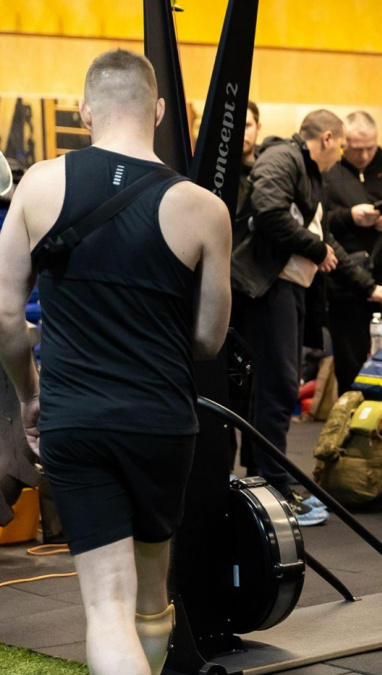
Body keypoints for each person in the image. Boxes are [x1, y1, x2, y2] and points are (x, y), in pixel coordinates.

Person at [0, 49, 231, 675]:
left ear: (84, 110)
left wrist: (29, 396)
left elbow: (5, 319)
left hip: (76, 422)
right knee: (152, 601)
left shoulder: (38, 186)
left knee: (106, 607)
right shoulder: (204, 208)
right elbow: (210, 338)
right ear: (159, 110)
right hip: (161, 422)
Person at [232, 109, 382, 524]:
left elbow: (327, 242)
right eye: (340, 145)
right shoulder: (283, 158)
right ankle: (273, 485)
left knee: (272, 388)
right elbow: (270, 213)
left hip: (285, 289)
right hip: (267, 289)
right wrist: (314, 247)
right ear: (326, 138)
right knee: (278, 386)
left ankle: (265, 478)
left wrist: (366, 286)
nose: (340, 154)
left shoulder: (307, 172)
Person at [323, 110, 382, 394]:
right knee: (349, 363)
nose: (364, 155)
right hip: (346, 280)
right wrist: (349, 216)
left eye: (370, 148)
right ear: (343, 143)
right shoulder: (330, 172)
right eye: (356, 149)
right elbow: (316, 222)